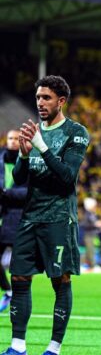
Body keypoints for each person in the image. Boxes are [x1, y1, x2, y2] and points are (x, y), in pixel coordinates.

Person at [0, 75, 90, 355]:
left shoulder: (76, 132)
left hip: (58, 219)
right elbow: (18, 179)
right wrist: (25, 155)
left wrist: (42, 146)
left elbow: (67, 177)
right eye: (38, 97)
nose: (40, 102)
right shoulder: (35, 132)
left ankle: (54, 348)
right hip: (30, 218)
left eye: (46, 98)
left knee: (60, 281)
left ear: (61, 101)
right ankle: (17, 347)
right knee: (19, 277)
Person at [0, 130, 28, 312]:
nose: (13, 141)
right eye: (10, 138)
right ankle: (9, 291)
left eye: (17, 139)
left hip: (19, 217)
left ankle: (18, 299)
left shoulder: (28, 161)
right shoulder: (1, 160)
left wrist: (5, 193)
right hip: (2, 216)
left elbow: (29, 192)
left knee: (20, 265)